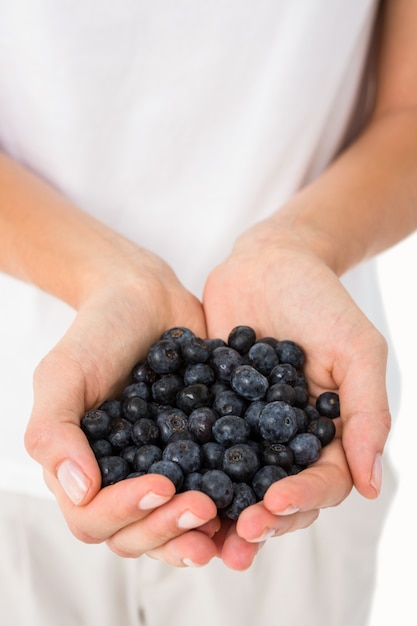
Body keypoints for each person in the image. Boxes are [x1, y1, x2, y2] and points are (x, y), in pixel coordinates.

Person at [0, 0, 415, 624]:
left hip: (314, 445)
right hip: (26, 448)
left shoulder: (274, 416)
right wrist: (102, 274)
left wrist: (299, 245)